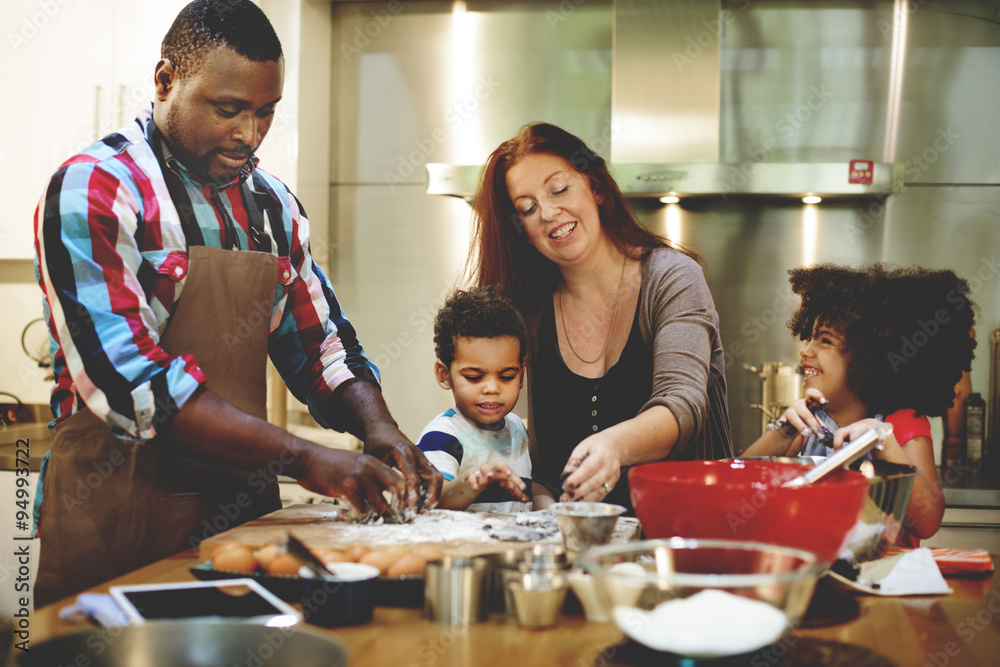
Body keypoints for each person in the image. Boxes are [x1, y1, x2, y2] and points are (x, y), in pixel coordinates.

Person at [31, 0, 441, 606]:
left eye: (266, 113)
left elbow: (320, 344)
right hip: (112, 515)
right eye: (228, 109)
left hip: (241, 522)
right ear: (166, 80)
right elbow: (134, 385)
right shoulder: (96, 188)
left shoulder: (272, 206)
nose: (249, 135)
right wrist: (304, 457)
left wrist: (379, 428)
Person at [466, 122, 733, 512]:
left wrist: (613, 446)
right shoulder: (531, 310)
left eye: (560, 189)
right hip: (576, 552)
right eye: (528, 208)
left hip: (683, 542)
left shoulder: (672, 278)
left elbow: (684, 405)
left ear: (597, 188)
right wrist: (544, 508)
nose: (549, 212)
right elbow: (543, 467)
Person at [742, 263, 977, 544]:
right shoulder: (809, 421)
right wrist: (782, 430)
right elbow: (739, 487)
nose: (806, 351)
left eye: (825, 340)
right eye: (810, 338)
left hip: (887, 580)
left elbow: (927, 521)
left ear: (869, 357)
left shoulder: (901, 423)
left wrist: (882, 443)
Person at [417, 287, 554, 511]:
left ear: (520, 375)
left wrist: (547, 505)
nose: (492, 388)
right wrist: (473, 482)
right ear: (445, 376)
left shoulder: (518, 429)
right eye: (474, 377)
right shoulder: (442, 436)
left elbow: (525, 494)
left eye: (506, 376)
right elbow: (433, 500)